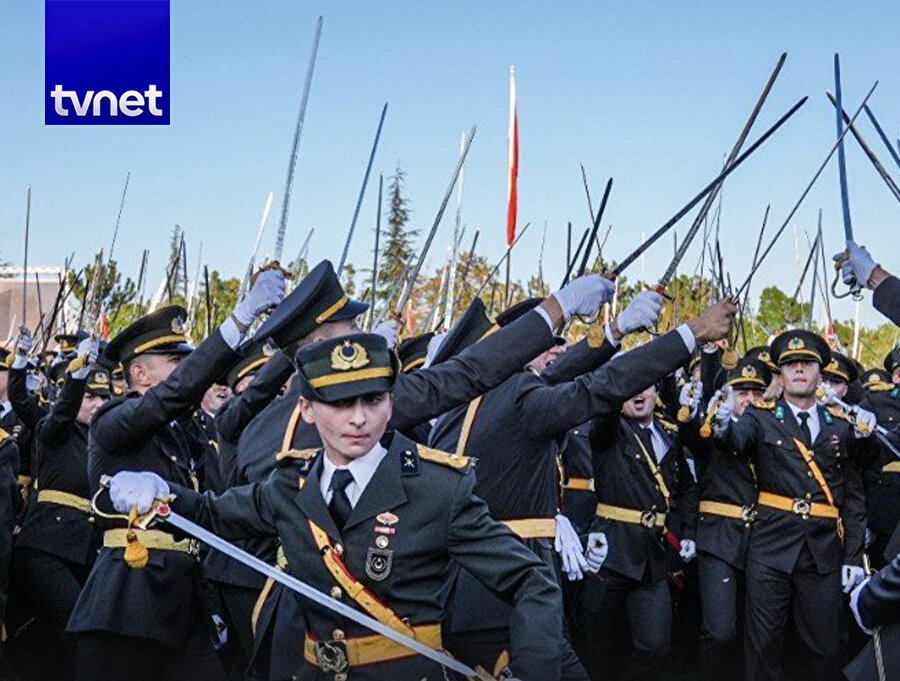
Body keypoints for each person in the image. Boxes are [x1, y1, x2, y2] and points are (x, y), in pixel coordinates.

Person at [104, 332, 563, 681]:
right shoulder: (288, 485)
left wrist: (535, 669)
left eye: (372, 400)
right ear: (305, 410)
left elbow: (531, 580)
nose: (358, 418)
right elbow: (213, 514)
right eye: (339, 403)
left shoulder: (438, 488)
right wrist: (160, 490)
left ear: (390, 405)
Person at [428, 290, 669, 679]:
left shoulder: (485, 400)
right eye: (537, 341)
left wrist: (616, 329)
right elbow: (592, 387)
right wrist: (686, 335)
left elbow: (561, 371)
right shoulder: (507, 398)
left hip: (506, 584)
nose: (551, 350)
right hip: (498, 591)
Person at [67, 269, 285, 681]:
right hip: (128, 604)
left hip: (185, 604)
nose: (188, 368)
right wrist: (238, 320)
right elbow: (173, 395)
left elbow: (250, 397)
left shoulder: (183, 433)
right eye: (176, 361)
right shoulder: (113, 420)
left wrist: (294, 345)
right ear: (140, 375)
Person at [712, 329, 879, 681]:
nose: (799, 370)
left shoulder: (843, 425)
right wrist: (724, 420)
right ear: (780, 374)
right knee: (762, 646)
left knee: (825, 647)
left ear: (821, 372)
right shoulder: (761, 416)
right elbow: (735, 442)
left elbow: (854, 497)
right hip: (770, 547)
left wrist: (852, 557)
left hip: (823, 551)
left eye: (807, 363)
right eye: (790, 364)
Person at [12, 337, 108, 679]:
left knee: (59, 640)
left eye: (104, 397)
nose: (97, 404)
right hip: (46, 546)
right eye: (90, 396)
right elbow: (56, 408)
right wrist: (78, 373)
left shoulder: (102, 440)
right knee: (79, 630)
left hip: (85, 550)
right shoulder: (54, 427)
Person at [680, 356, 771, 681]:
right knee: (719, 632)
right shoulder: (713, 428)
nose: (748, 399)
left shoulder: (772, 432)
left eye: (755, 392)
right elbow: (693, 433)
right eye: (740, 392)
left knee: (757, 634)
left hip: (761, 542)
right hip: (718, 539)